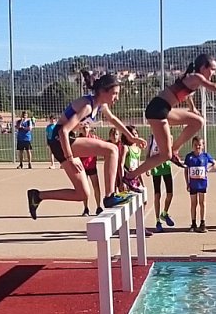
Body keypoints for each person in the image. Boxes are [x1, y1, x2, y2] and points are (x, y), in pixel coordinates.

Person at [26, 71, 146, 220]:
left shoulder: (100, 105)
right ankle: (109, 196)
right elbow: (63, 130)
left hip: (64, 141)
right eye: (114, 93)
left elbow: (113, 119)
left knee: (82, 194)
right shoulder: (88, 106)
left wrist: (132, 137)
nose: (117, 98)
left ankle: (37, 196)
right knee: (112, 149)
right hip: (61, 140)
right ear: (103, 91)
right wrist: (70, 158)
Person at [124, 54, 216, 181]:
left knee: (198, 122)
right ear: (202, 68)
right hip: (157, 111)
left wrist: (193, 108)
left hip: (164, 109)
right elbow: (214, 87)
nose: (214, 72)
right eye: (212, 69)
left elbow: (187, 94)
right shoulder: (197, 76)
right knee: (164, 155)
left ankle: (175, 149)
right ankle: (131, 176)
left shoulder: (192, 78)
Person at [184, 136, 215, 233]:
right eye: (195, 145)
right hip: (193, 184)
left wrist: (207, 170)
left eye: (199, 145)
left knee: (202, 203)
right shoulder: (189, 157)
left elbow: (214, 163)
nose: (197, 147)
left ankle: (202, 223)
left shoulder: (205, 156)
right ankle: (193, 223)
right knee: (193, 203)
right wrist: (187, 183)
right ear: (192, 146)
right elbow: (186, 170)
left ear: (203, 146)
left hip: (202, 183)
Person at [148, 135, 176, 233]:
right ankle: (157, 221)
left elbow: (172, 151)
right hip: (156, 167)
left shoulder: (169, 137)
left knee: (170, 194)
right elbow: (148, 152)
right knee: (157, 194)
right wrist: (147, 166)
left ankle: (164, 213)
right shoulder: (151, 138)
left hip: (166, 167)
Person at [78, 122, 103, 216]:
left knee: (96, 186)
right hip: (82, 167)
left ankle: (98, 206)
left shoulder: (94, 138)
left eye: (87, 128)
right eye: (83, 128)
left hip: (92, 166)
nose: (85, 129)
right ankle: (85, 208)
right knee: (84, 189)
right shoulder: (78, 140)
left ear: (89, 129)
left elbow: (103, 145)